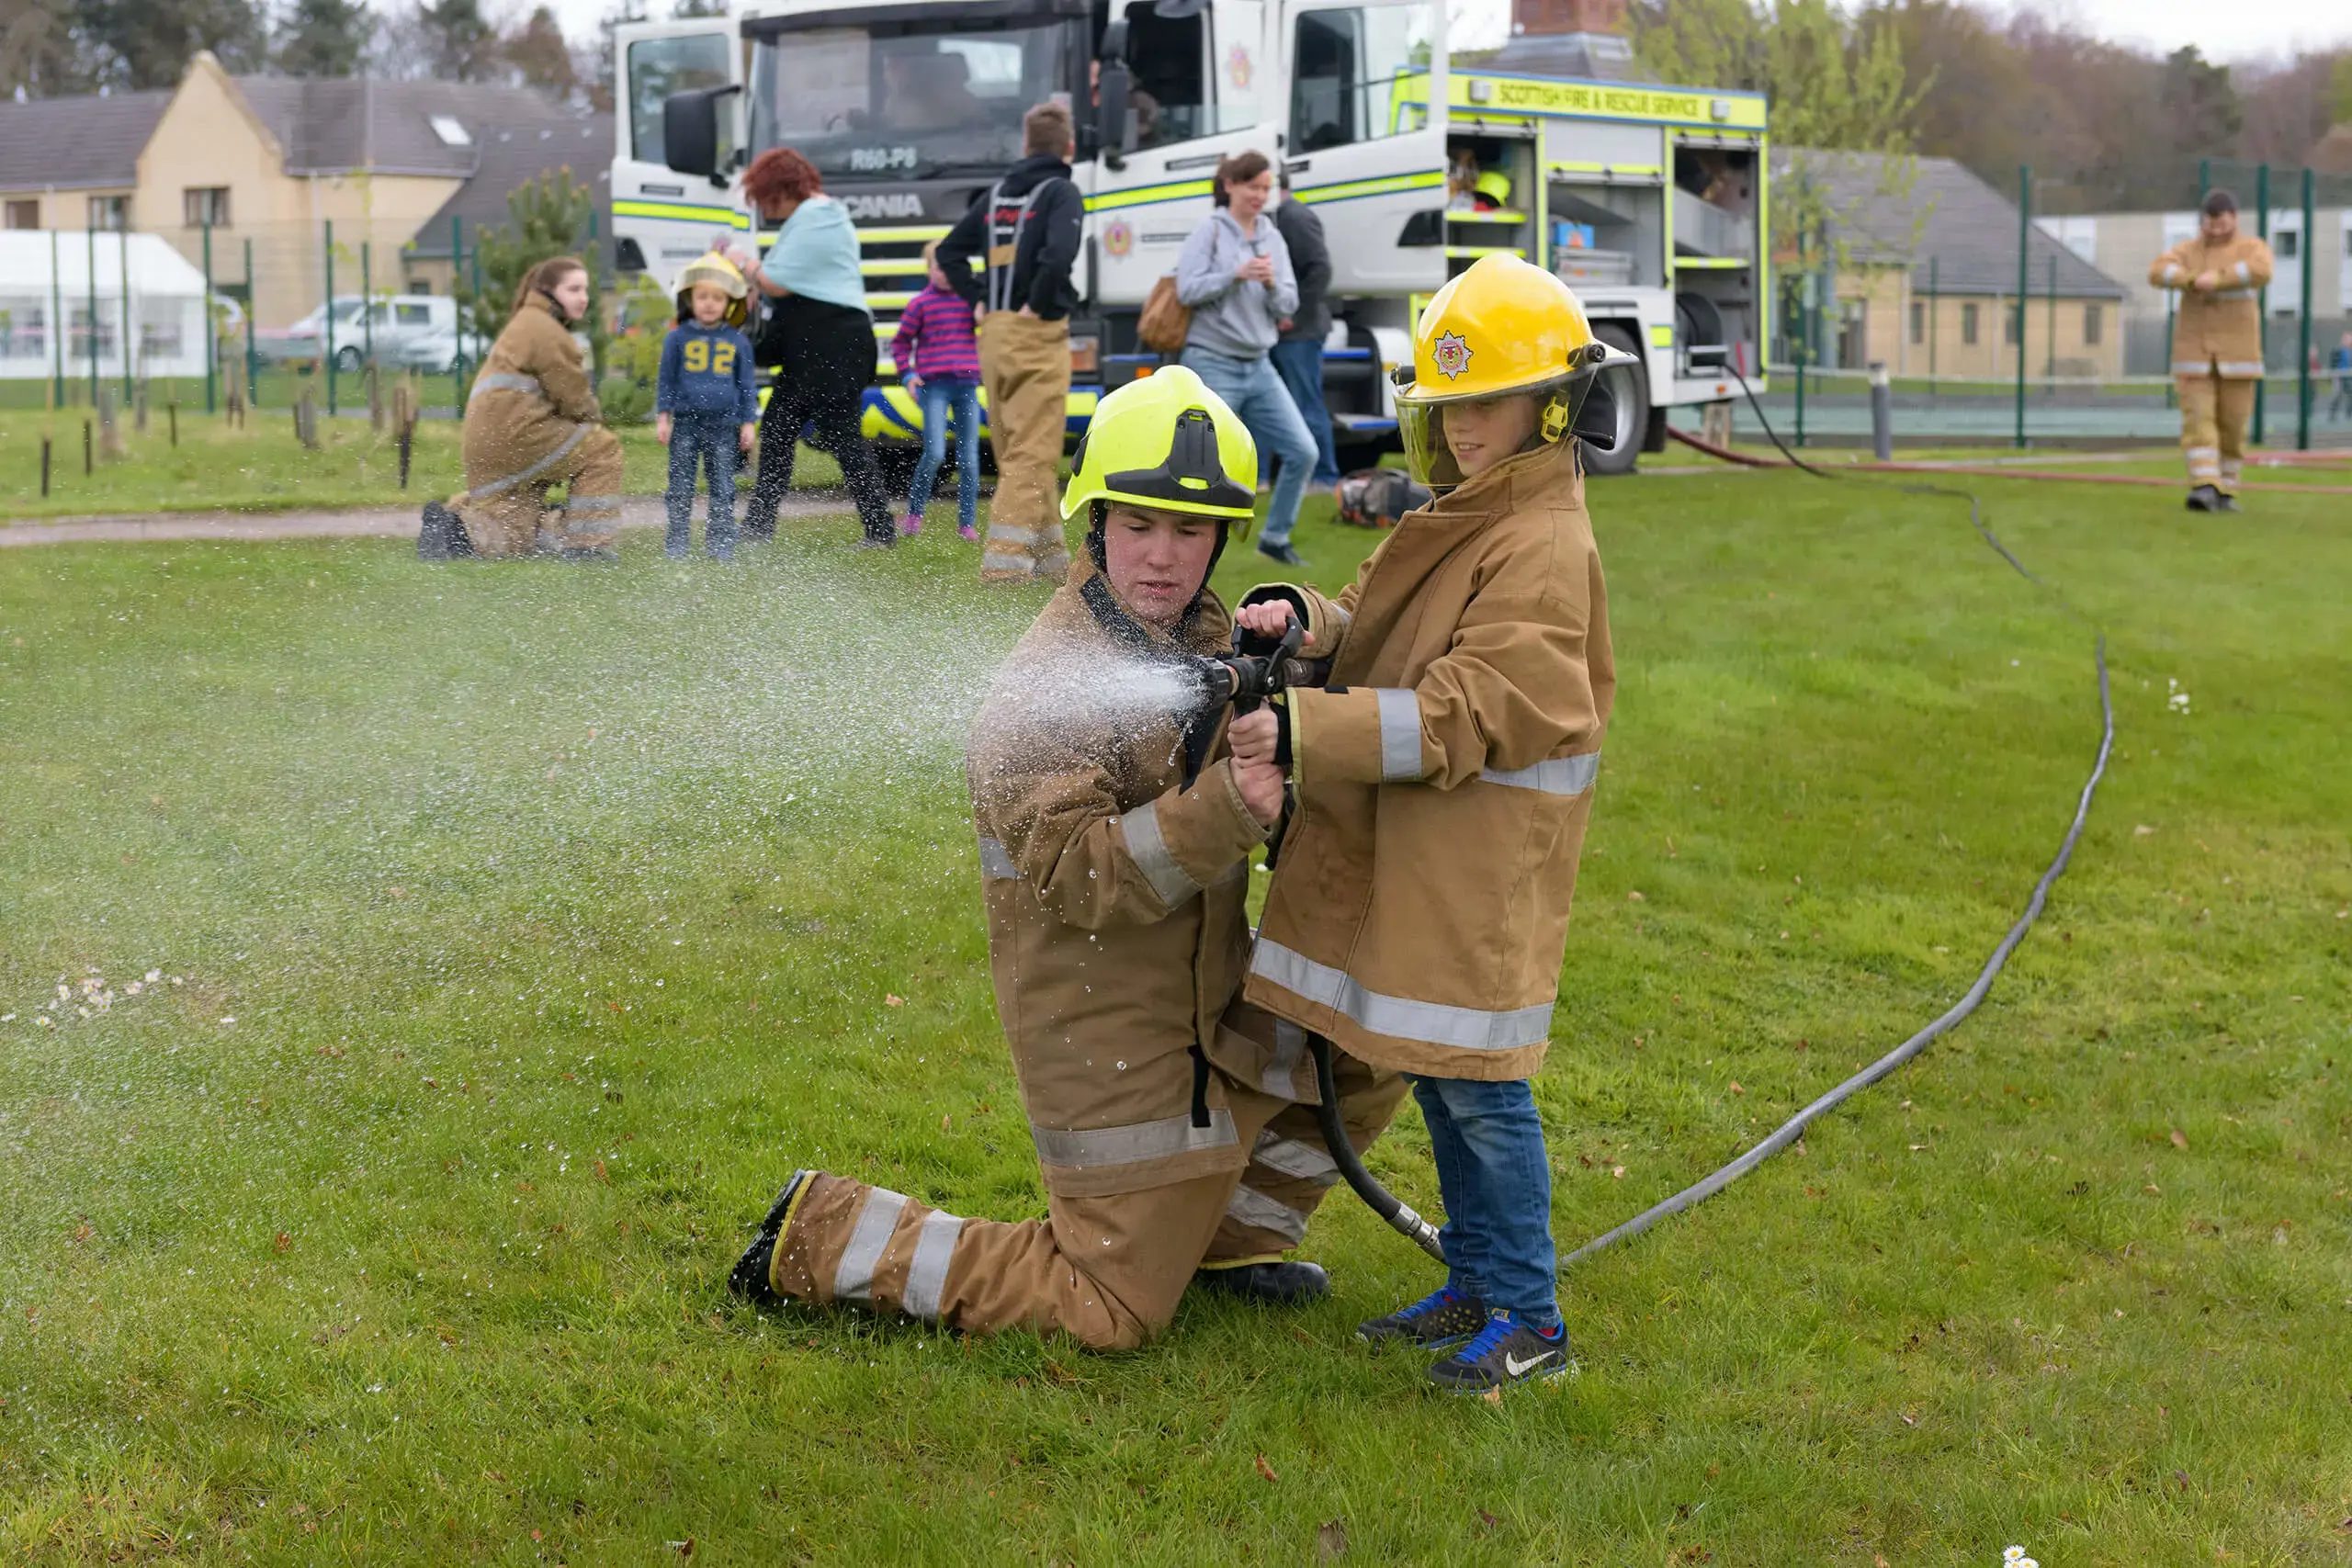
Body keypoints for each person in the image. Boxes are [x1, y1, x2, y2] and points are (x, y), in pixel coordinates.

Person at [727, 367, 1407, 1346]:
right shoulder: (1044, 692)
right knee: (1109, 1310)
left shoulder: (1192, 632)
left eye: (1190, 530)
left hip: (1207, 997)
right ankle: (826, 1235)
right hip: (1105, 1032)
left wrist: (1297, 623)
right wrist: (1228, 805)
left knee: (1378, 1035)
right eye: (1139, 527)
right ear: (1095, 528)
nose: (1165, 558)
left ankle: (1226, 1245)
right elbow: (1079, 876)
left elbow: (1317, 660)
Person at [1227, 254, 1625, 1393]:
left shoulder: (1542, 547)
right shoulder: (1473, 513)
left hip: (1476, 870)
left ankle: (1531, 1315)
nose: (1458, 432)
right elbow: (1377, 619)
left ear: (1552, 406)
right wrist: (1303, 620)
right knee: (1441, 1072)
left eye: (1484, 407)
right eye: (1443, 412)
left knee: (1483, 1090)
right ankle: (1479, 1281)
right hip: (1432, 860)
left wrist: (1308, 732)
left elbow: (1470, 710)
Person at [936, 102, 1086, 583]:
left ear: (1025, 144)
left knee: (1016, 446)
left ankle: (1048, 559)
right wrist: (1037, 305)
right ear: (1068, 146)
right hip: (1037, 332)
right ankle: (1004, 565)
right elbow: (1059, 254)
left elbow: (949, 252)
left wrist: (980, 298)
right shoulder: (1061, 191)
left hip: (995, 334)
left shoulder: (997, 193)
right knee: (1034, 450)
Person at [735, 148, 898, 548]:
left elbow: (776, 281)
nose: (764, 207)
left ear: (780, 188)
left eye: (764, 195)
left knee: (824, 435)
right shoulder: (819, 215)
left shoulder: (816, 216)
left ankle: (878, 530)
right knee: (791, 431)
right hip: (822, 343)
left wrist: (743, 264)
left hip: (829, 343)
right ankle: (876, 529)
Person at [418, 256, 623, 561]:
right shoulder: (546, 330)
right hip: (518, 436)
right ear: (548, 291)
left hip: (487, 442)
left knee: (516, 527)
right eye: (574, 289)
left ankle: (454, 529)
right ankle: (588, 546)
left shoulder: (525, 323)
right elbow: (575, 401)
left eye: (586, 289)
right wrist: (595, 426)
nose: (584, 298)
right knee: (603, 450)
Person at [1174, 150, 1319, 569]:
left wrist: (1272, 283)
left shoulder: (1273, 236)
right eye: (1252, 186)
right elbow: (1187, 290)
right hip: (1211, 360)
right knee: (1200, 464)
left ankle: (1275, 538)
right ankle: (1189, 551)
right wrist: (1235, 274)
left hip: (1259, 365)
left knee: (1303, 451)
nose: (1259, 195)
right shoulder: (1210, 232)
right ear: (1230, 186)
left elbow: (1290, 302)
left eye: (1265, 188)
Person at [2148, 189, 2275, 513]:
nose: (2214, 228)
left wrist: (2218, 279)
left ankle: (2227, 490)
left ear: (2233, 218)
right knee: (2199, 421)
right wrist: (2190, 279)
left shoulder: (2252, 248)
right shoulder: (2187, 251)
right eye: (2209, 222)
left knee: (2233, 427)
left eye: (2220, 222)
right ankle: (2204, 485)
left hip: (2239, 357)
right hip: (2194, 356)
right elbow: (2158, 271)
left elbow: (2261, 270)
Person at [655, 252, 759, 561]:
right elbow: (666, 380)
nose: (710, 303)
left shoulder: (738, 342)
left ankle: (721, 544)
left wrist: (748, 422)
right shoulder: (676, 339)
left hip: (724, 424)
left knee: (723, 486)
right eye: (703, 296)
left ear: (729, 302)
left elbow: (746, 386)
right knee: (680, 487)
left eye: (717, 297)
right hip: (686, 423)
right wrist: (664, 417)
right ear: (690, 299)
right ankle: (676, 544)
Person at [889, 241, 984, 542]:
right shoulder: (920, 304)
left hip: (966, 386)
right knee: (935, 452)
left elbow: (989, 327)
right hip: (934, 387)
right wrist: (907, 375)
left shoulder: (969, 302)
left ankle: (966, 524)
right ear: (929, 269)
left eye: (949, 267)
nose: (944, 273)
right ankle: (914, 515)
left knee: (969, 459)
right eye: (938, 267)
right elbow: (900, 342)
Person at [1270, 172, 1340, 494]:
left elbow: (1320, 269)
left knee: (1306, 404)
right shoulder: (1283, 216)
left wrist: (1293, 315)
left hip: (1300, 331)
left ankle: (1325, 477)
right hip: (1292, 330)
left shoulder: (1294, 218)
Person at [2329, 331, 2352, 423]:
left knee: (2351, 395)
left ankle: (2349, 414)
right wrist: (2334, 373)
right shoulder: (2337, 350)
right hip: (2339, 376)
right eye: (2347, 339)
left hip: (2348, 376)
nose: (2348, 341)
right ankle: (2332, 414)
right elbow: (2333, 363)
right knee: (2337, 395)